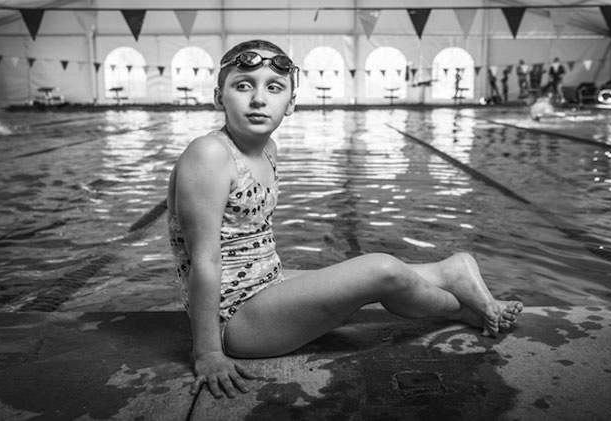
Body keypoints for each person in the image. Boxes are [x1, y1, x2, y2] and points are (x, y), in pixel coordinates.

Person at [167, 39, 523, 400]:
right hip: (235, 322)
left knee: (377, 274)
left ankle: (451, 272)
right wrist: (209, 352)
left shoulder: (266, 150)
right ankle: (463, 309)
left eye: (273, 88)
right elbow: (206, 261)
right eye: (243, 85)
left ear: (290, 103)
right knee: (379, 271)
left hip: (266, 286)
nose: (259, 99)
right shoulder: (209, 153)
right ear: (218, 97)